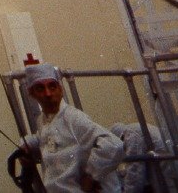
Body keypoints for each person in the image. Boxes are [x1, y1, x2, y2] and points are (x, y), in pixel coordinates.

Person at [21, 64, 125, 193]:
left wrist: (91, 176)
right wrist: (27, 145)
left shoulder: (73, 118)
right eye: (40, 88)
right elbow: (45, 138)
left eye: (52, 86)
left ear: (60, 90)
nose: (48, 93)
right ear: (32, 94)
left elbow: (113, 145)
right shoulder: (43, 120)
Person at [109, 121, 162, 193]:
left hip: (164, 164)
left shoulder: (130, 135)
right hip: (166, 159)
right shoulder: (133, 129)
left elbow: (135, 168)